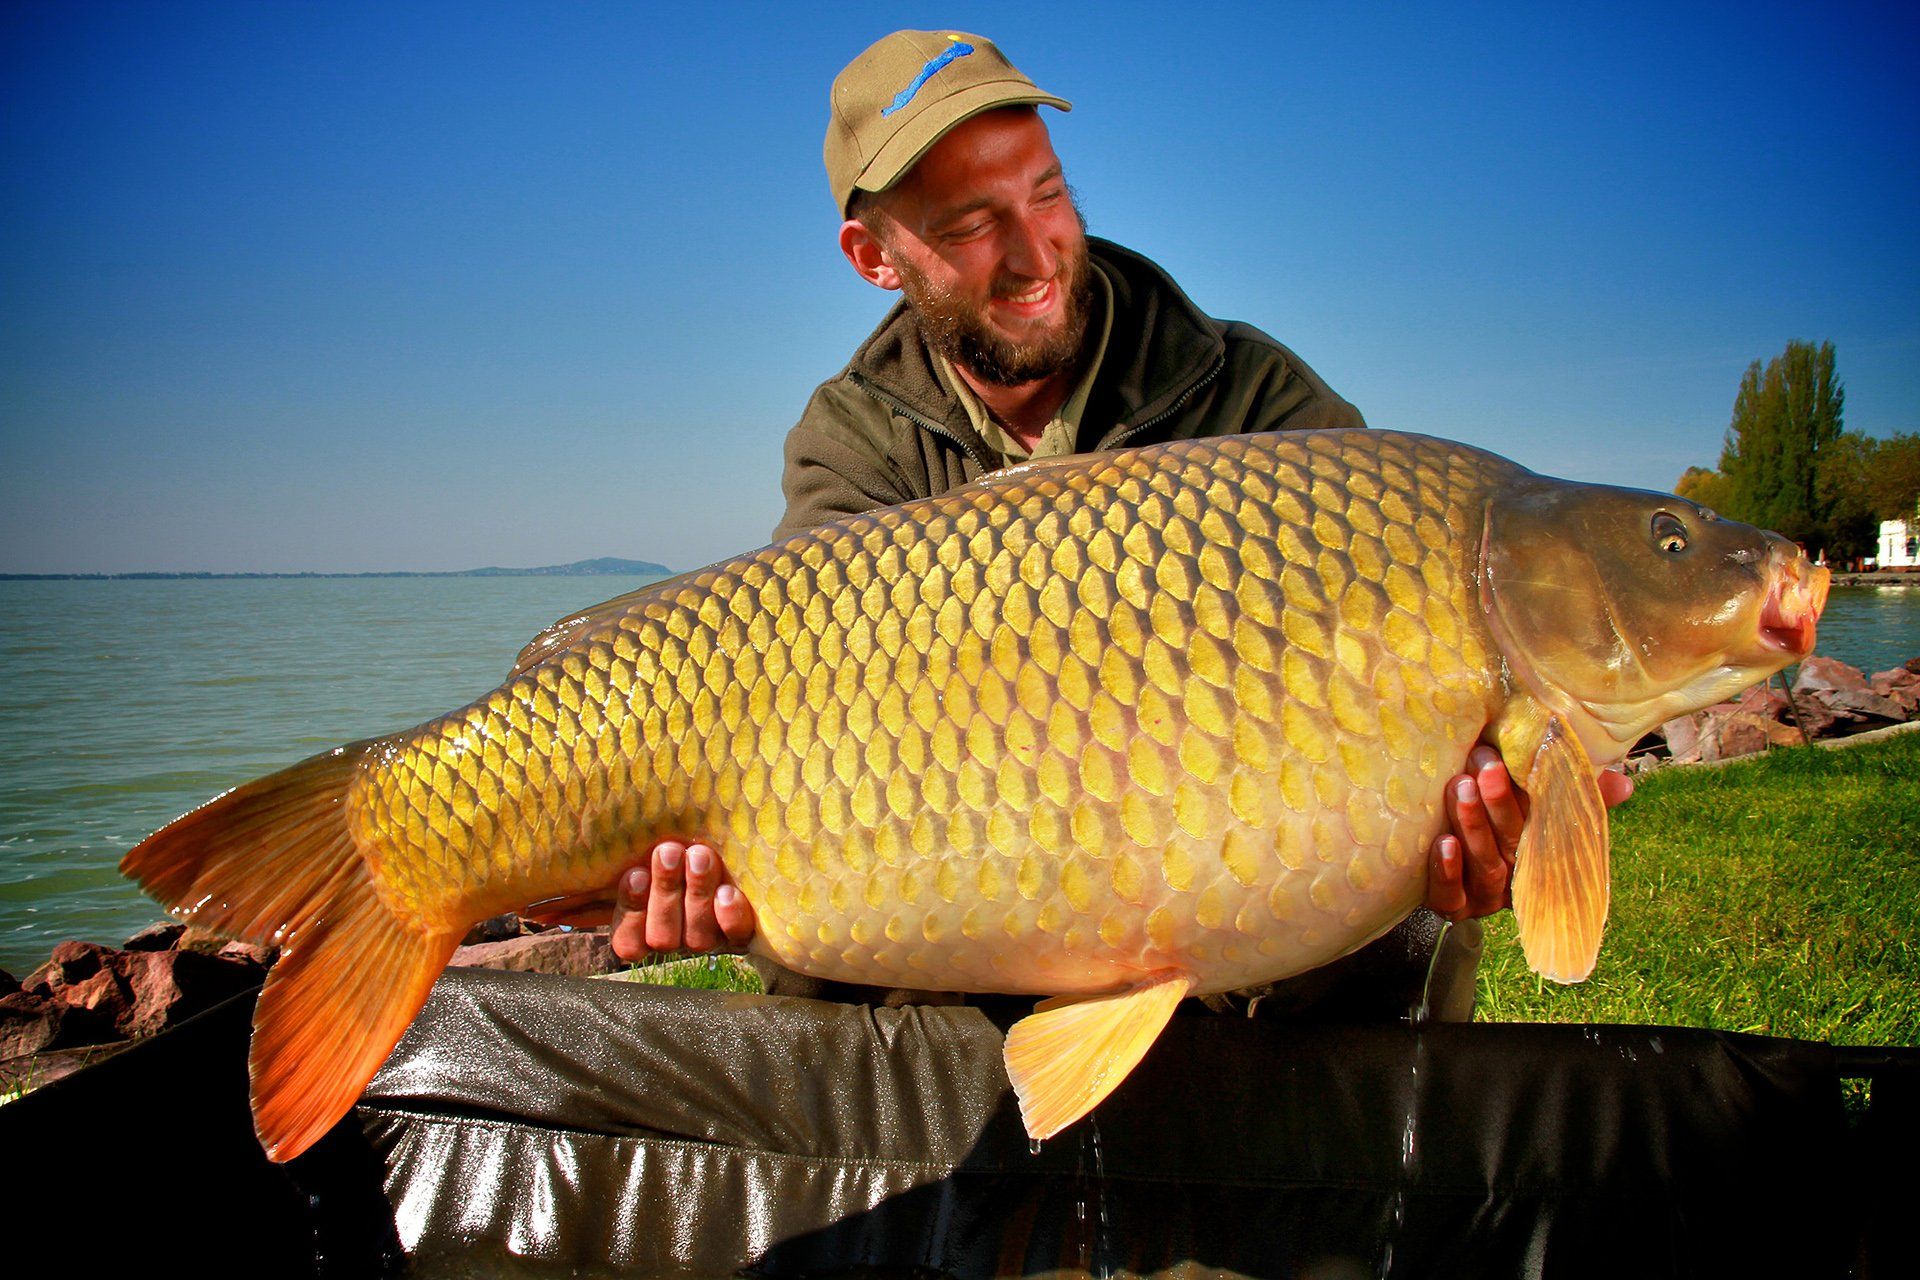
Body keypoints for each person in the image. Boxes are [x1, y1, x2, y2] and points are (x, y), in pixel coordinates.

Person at [601, 31, 1631, 1014]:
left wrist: (1492, 844)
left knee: (1404, 919)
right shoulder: (852, 444)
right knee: (811, 930)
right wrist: (701, 884)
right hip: (975, 921)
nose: (1033, 250)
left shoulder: (1255, 398)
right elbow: (787, 710)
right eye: (968, 224)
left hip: (1253, 967)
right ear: (875, 256)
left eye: (1047, 192)